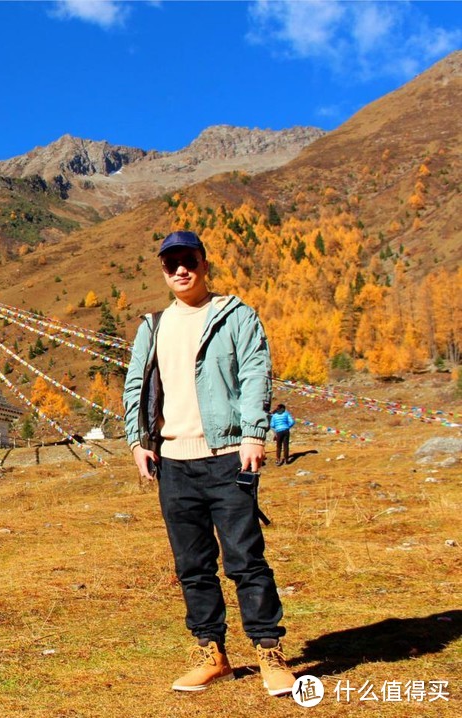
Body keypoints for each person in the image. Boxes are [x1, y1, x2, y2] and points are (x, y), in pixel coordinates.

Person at [123, 231, 296, 696]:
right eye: (170, 262)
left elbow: (256, 374)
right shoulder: (152, 326)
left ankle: (268, 651)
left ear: (204, 264)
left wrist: (255, 432)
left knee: (245, 559)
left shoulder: (236, 316)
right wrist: (137, 441)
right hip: (174, 463)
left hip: (227, 458)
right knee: (192, 565)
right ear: (163, 270)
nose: (181, 269)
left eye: (188, 260)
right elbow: (135, 385)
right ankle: (211, 652)